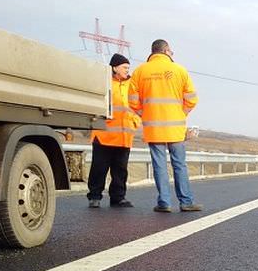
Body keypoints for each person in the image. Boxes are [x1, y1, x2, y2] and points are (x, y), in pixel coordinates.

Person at [128, 39, 202, 212]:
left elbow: (132, 101)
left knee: (159, 165)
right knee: (179, 164)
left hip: (153, 127)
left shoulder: (140, 71)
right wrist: (181, 113)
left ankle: (164, 203)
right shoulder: (179, 70)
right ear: (167, 51)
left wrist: (144, 114)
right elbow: (192, 99)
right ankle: (186, 202)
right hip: (175, 127)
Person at [87, 53, 140, 208]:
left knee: (120, 170)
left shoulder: (132, 84)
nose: (127, 70)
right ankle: (94, 197)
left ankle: (118, 198)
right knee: (99, 168)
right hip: (104, 134)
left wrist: (135, 122)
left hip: (124, 135)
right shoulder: (104, 83)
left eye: (128, 67)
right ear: (114, 67)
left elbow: (138, 106)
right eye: (124, 67)